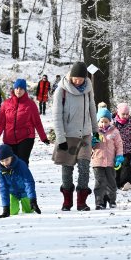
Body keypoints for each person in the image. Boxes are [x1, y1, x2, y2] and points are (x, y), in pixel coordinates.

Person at [51, 62, 96, 212]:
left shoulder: (88, 89)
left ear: (85, 78)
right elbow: (56, 116)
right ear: (70, 76)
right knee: (67, 169)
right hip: (68, 135)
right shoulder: (61, 91)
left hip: (85, 135)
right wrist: (60, 138)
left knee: (84, 167)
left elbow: (92, 110)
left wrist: (95, 130)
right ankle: (67, 201)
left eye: (80, 79)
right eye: (75, 78)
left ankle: (82, 202)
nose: (77, 81)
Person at [0, 78, 49, 163]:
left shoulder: (31, 104)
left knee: (22, 162)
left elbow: (37, 123)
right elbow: (0, 123)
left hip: (26, 138)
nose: (19, 91)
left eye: (21, 89)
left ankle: (24, 176)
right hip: (9, 138)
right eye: (17, 88)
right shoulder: (5, 104)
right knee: (10, 164)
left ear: (25, 90)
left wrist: (43, 137)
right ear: (14, 89)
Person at [0, 144, 40, 218]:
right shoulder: (0, 170)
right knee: (12, 212)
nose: (5, 163)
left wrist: (33, 199)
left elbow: (28, 181)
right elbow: (3, 187)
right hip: (12, 193)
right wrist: (5, 208)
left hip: (24, 192)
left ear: (11, 156)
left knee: (29, 210)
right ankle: (13, 206)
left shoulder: (21, 165)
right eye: (2, 161)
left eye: (7, 160)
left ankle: (27, 203)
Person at [91, 108, 122, 209]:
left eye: (106, 121)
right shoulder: (95, 132)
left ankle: (111, 200)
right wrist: (93, 141)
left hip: (110, 162)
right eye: (101, 121)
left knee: (111, 181)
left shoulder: (114, 132)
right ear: (98, 121)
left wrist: (119, 157)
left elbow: (119, 145)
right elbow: (90, 146)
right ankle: (99, 202)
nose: (103, 124)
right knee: (100, 182)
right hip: (98, 161)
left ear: (110, 121)